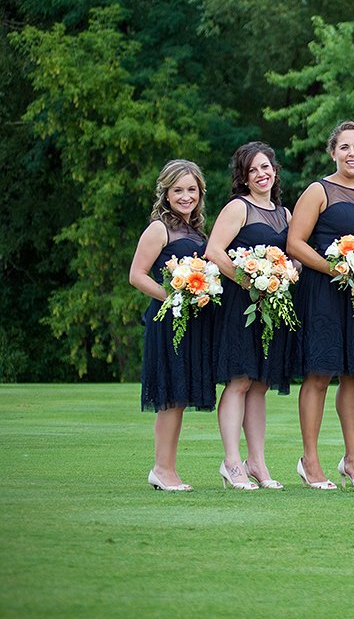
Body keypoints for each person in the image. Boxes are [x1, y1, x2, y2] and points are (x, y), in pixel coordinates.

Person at [287, 121, 354, 490]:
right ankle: (309, 461)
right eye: (345, 147)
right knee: (319, 374)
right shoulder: (319, 190)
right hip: (323, 292)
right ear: (333, 152)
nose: (352, 154)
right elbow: (295, 242)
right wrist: (335, 269)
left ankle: (353, 460)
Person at [205, 142, 294, 491]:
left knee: (260, 383)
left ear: (275, 170)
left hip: (270, 307)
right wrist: (249, 280)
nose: (262, 174)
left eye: (266, 167)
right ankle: (231, 461)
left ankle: (256, 461)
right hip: (239, 305)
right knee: (239, 380)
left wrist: (288, 272)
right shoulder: (237, 208)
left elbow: (292, 252)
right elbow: (214, 250)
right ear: (244, 177)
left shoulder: (284, 214)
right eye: (254, 169)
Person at [129, 159, 216, 491]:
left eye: (191, 190)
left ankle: (165, 468)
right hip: (168, 321)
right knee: (170, 395)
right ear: (165, 193)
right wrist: (172, 294)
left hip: (192, 322)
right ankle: (163, 469)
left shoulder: (196, 231)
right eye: (178, 190)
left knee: (179, 395)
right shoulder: (159, 229)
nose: (185, 196)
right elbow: (136, 275)